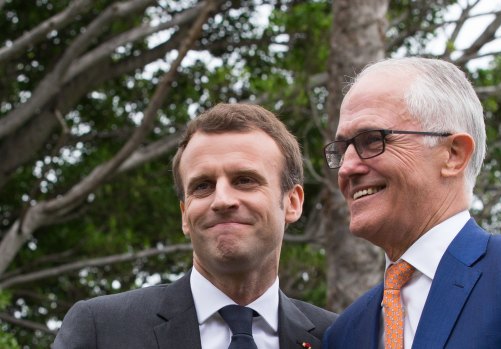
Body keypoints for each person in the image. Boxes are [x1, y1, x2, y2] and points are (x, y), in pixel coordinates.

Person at [322, 57, 501, 348]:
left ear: (454, 154)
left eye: (372, 140)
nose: (347, 168)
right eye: (342, 149)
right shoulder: (345, 332)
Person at [53, 103, 336, 349]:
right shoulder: (103, 330)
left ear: (293, 202)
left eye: (244, 180)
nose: (222, 200)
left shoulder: (336, 339)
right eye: (202, 186)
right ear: (184, 214)